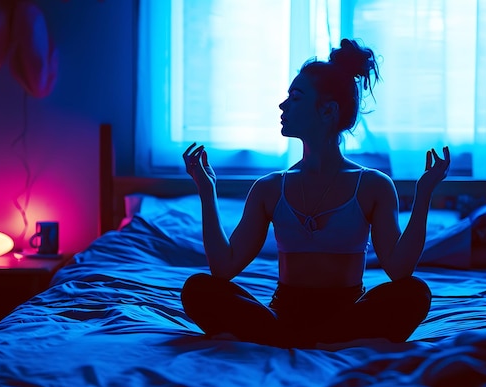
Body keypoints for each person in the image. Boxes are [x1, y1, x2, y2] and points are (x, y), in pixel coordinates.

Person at [181, 38, 450, 348]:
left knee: (414, 292)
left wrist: (425, 193)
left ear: (328, 111)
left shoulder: (373, 185)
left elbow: (400, 270)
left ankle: (296, 339)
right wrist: (206, 188)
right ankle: (312, 339)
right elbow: (223, 267)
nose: (283, 105)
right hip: (282, 315)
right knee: (198, 288)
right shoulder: (269, 188)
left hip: (348, 314)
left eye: (296, 97)